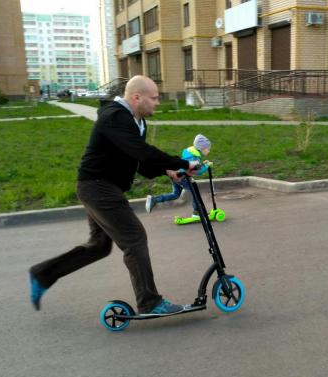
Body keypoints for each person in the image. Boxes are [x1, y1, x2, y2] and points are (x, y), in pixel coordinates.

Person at [28, 75, 201, 316]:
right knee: (134, 237)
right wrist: (183, 162)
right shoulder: (115, 117)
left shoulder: (136, 121)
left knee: (99, 246)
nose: (157, 103)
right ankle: (149, 302)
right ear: (136, 97)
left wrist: (169, 170)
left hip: (101, 188)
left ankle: (42, 274)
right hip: (98, 187)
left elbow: (139, 161)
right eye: (154, 98)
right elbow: (142, 151)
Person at [145, 134, 212, 218]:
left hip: (176, 174)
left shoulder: (191, 154)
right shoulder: (193, 157)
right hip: (182, 177)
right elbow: (197, 171)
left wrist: (203, 164)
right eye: (208, 148)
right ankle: (197, 212)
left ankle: (154, 199)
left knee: (176, 194)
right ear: (201, 148)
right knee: (195, 192)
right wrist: (206, 166)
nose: (209, 150)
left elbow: (194, 166)